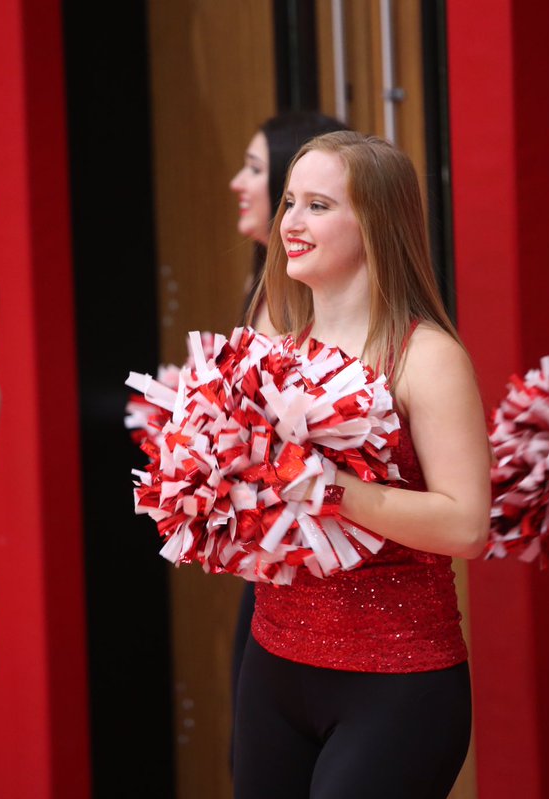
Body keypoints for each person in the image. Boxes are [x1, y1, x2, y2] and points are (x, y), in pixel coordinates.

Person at [232, 131, 491, 798]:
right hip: (273, 663)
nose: (290, 223)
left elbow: (467, 525)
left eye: (318, 205)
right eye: (289, 202)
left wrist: (332, 490)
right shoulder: (272, 349)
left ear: (376, 223)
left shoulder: (425, 357)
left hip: (397, 681)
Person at [226, 111, 349, 728]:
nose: (237, 184)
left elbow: (288, 445)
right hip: (278, 588)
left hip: (328, 594)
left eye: (254, 169)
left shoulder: (303, 297)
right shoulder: (270, 284)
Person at [229, 111, 348, 328]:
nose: (237, 183)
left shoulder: (317, 300)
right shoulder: (261, 278)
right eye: (290, 202)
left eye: (255, 169)